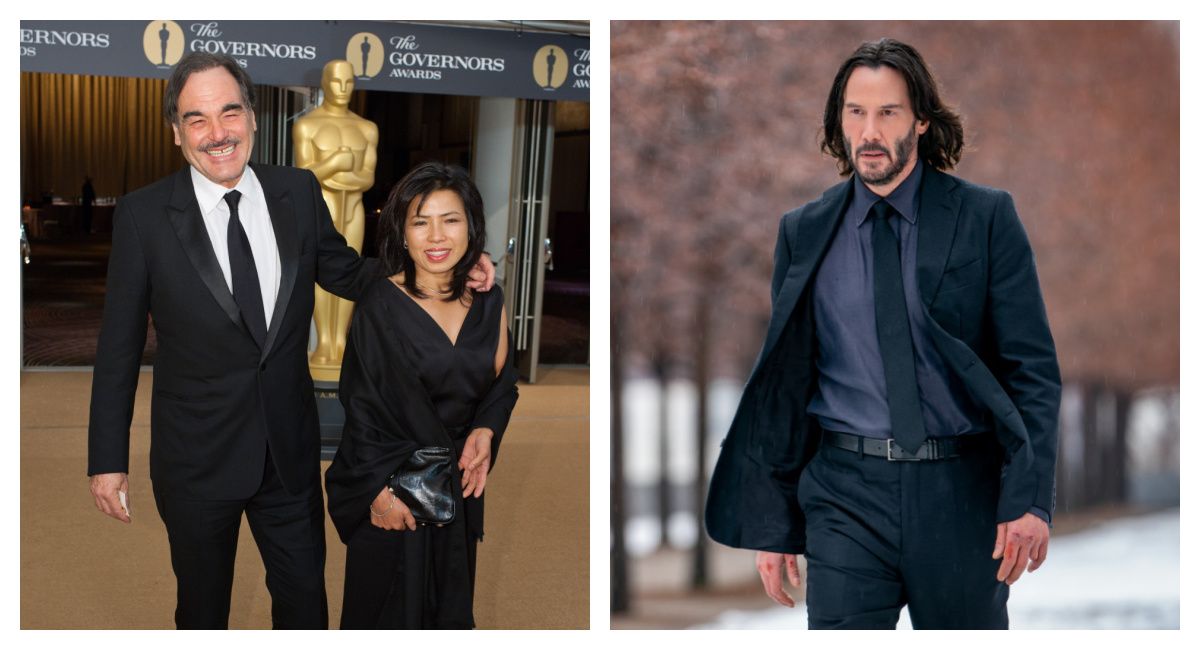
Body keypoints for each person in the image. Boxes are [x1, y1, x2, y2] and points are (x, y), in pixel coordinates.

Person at [85, 52, 494, 629]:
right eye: (197, 119)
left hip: (290, 454)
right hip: (197, 461)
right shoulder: (143, 216)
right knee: (202, 614)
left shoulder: (296, 191)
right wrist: (107, 460)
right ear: (176, 132)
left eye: (230, 112)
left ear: (253, 117)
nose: (218, 132)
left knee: (305, 609)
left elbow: (351, 274)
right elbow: (119, 348)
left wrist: (446, 267)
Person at [705, 38, 1061, 629]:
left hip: (961, 494)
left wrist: (1029, 498)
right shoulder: (803, 231)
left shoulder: (985, 218)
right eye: (855, 112)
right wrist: (776, 522)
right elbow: (789, 384)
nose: (869, 131)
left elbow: (1033, 370)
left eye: (887, 113)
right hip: (844, 494)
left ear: (921, 119)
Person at [326, 162, 519, 629]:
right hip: (394, 491)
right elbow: (362, 410)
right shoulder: (379, 305)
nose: (436, 236)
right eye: (420, 221)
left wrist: (486, 429)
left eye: (450, 220)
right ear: (402, 233)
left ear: (471, 226)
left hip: (456, 489)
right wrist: (376, 493)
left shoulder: (490, 302)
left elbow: (502, 386)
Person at [292, 59, 379, 381]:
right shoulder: (307, 125)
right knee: (321, 272)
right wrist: (335, 162)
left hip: (352, 207)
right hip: (322, 206)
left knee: (350, 270)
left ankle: (339, 340)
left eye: (349, 82)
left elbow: (367, 177)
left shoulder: (366, 128)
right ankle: (323, 342)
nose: (343, 89)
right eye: (336, 82)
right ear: (325, 83)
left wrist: (343, 177)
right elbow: (305, 174)